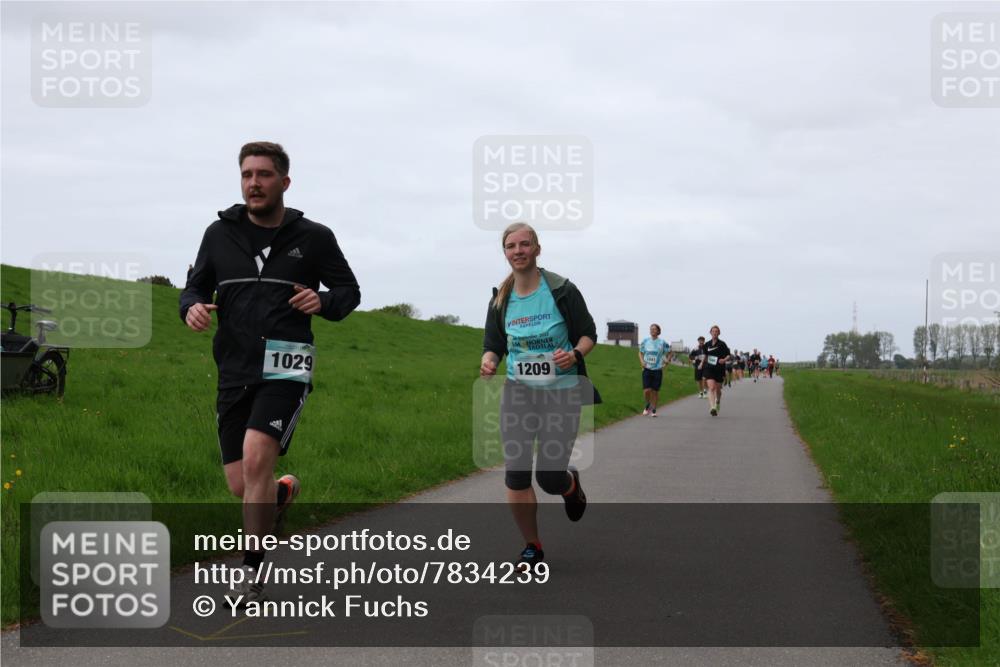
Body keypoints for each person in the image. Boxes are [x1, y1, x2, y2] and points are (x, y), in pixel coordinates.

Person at [180, 141, 360, 606]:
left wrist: (323, 301)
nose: (253, 183)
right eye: (246, 175)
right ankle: (280, 494)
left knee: (258, 456)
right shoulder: (218, 235)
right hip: (233, 368)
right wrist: (191, 308)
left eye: (262, 174)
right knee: (243, 485)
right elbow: (195, 285)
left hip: (286, 364)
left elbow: (348, 290)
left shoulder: (314, 237)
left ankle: (251, 575)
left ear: (284, 182)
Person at [481, 222, 596, 569]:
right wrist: (488, 362)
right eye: (511, 246)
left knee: (548, 476)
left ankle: (569, 484)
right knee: (516, 473)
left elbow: (588, 335)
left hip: (561, 392)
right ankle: (532, 545)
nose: (518, 250)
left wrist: (574, 354)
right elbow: (493, 346)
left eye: (524, 244)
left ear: (536, 249)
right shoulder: (501, 299)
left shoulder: (562, 290)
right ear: (505, 253)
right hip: (518, 392)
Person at [638, 324, 673, 417]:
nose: (652, 330)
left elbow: (670, 352)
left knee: (655, 391)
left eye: (654, 329)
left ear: (658, 331)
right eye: (651, 329)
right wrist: (642, 362)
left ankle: (654, 410)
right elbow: (640, 352)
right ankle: (647, 405)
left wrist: (666, 362)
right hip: (647, 369)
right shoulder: (645, 341)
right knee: (646, 390)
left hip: (657, 369)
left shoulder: (662, 342)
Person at [699, 325, 731, 416]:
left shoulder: (722, 344)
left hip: (719, 368)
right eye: (713, 331)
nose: (714, 333)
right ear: (710, 332)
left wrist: (724, 360)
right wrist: (701, 363)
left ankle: (718, 402)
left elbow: (728, 355)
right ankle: (712, 407)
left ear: (719, 333)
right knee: (711, 388)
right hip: (709, 368)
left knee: (718, 389)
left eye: (716, 331)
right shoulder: (707, 344)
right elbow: (705, 355)